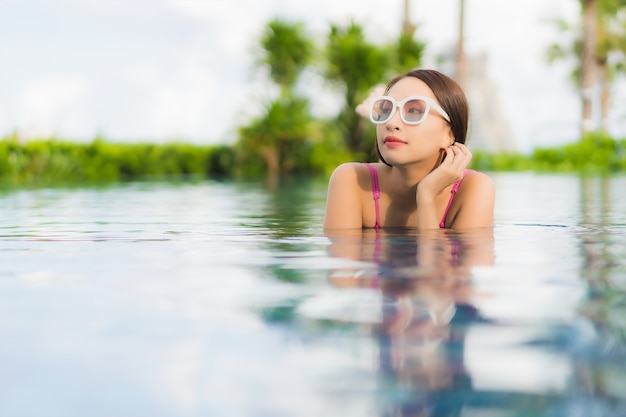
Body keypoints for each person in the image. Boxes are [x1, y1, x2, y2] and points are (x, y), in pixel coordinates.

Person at [323, 68, 495, 230]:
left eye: (414, 111)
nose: (391, 123)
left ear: (449, 135)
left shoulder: (474, 189)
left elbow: (430, 263)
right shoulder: (352, 180)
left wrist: (426, 196)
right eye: (386, 110)